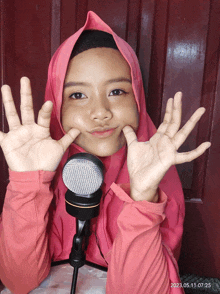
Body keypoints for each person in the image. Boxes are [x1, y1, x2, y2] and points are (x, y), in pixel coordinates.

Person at [0, 11, 211, 294]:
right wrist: (28, 186)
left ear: (137, 97)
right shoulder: (38, 166)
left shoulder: (158, 177)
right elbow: (18, 282)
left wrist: (143, 200)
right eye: (77, 95)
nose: (100, 112)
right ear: (57, 104)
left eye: (116, 92)